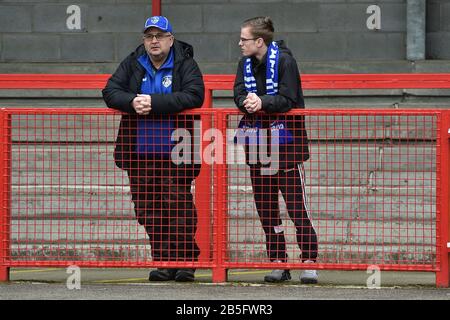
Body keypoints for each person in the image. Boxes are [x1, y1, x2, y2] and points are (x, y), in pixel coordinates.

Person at [102, 16, 204, 282]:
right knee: (148, 209)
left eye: (160, 36)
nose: (154, 41)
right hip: (139, 152)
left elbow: (195, 94)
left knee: (178, 207)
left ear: (171, 39)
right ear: (143, 40)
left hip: (175, 152)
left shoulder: (185, 63)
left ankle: (185, 262)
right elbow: (110, 91)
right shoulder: (133, 62)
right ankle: (163, 262)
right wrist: (132, 101)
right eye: (149, 36)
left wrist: (154, 102)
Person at [233, 16, 318, 283]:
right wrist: (246, 102)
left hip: (286, 146)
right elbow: (237, 91)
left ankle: (309, 260)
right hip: (257, 145)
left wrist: (263, 102)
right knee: (266, 208)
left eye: (244, 39)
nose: (240, 44)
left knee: (296, 208)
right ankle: (278, 260)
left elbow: (288, 98)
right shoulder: (244, 63)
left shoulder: (285, 61)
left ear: (260, 41)